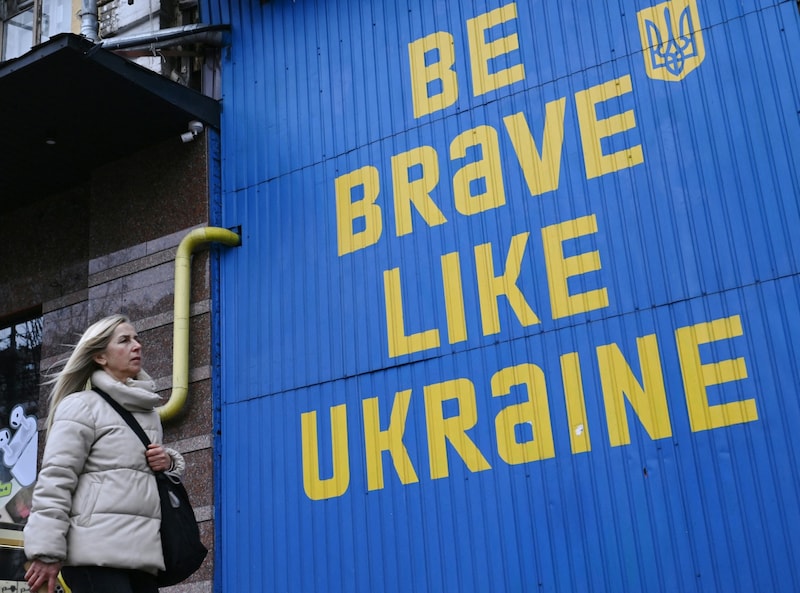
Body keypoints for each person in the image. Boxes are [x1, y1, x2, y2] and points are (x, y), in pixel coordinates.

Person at [23, 314, 185, 593]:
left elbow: (128, 471)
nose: (137, 346)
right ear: (100, 357)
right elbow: (56, 480)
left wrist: (167, 462)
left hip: (141, 556)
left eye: (136, 339)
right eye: (124, 340)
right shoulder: (81, 407)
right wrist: (47, 551)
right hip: (94, 555)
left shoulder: (147, 414)